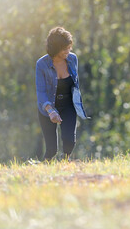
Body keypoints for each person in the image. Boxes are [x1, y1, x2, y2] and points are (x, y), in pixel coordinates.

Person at [35, 27, 87, 161]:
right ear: (55, 48)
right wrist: (50, 110)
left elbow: (75, 84)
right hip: (48, 107)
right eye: (65, 48)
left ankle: (65, 164)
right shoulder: (42, 64)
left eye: (70, 47)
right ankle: (44, 168)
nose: (68, 51)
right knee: (52, 149)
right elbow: (41, 92)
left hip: (68, 105)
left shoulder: (72, 59)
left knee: (69, 141)